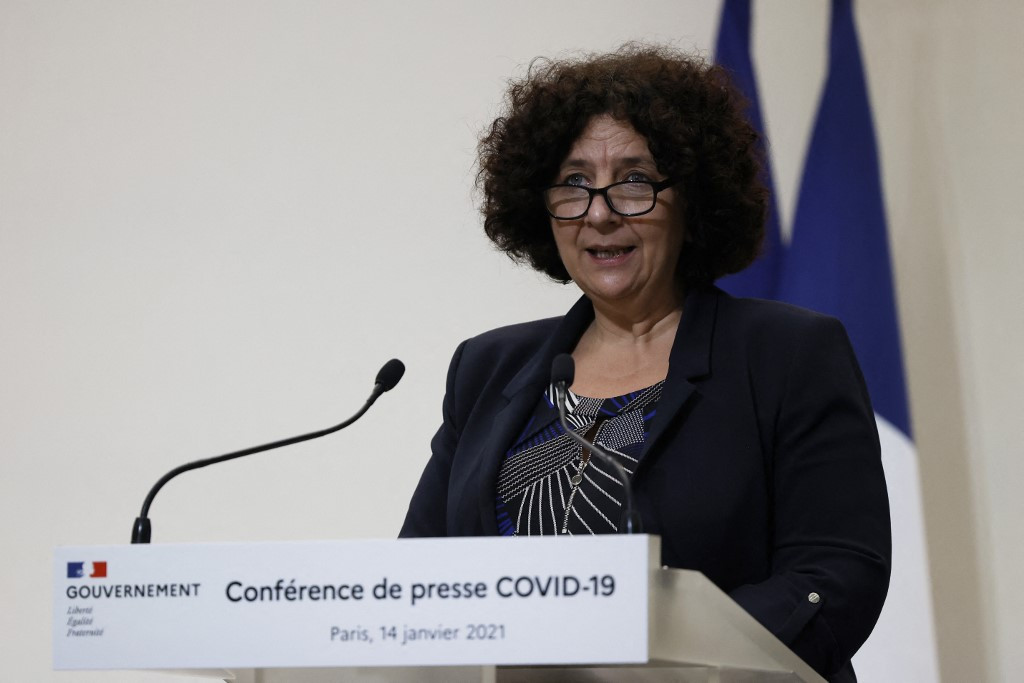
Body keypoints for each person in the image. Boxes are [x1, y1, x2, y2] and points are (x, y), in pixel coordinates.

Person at [400, 44, 890, 682]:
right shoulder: (490, 367)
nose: (599, 212)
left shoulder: (786, 354)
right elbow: (417, 578)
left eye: (633, 181)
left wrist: (659, 661)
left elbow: (835, 575)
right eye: (574, 183)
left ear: (692, 197)